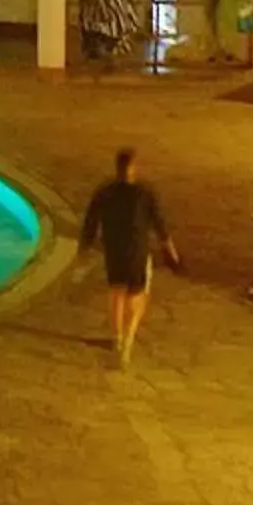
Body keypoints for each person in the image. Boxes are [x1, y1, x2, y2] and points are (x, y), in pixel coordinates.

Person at [77, 146, 181, 366]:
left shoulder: (104, 192)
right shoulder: (145, 193)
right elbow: (160, 226)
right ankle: (128, 340)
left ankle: (117, 339)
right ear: (134, 168)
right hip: (137, 254)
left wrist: (84, 249)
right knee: (137, 298)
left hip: (114, 252)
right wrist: (172, 254)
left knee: (116, 294)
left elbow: (90, 222)